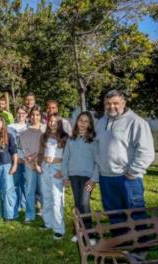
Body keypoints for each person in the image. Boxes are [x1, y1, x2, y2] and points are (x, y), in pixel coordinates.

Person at [95, 90, 154, 261]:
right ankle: (122, 247)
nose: (111, 106)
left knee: (135, 213)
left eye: (115, 103)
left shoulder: (136, 122)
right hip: (106, 177)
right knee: (115, 214)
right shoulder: (102, 122)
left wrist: (133, 171)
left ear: (123, 103)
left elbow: (146, 151)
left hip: (128, 179)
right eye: (108, 103)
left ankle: (141, 248)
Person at [61, 111, 98, 244]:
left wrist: (94, 179)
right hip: (73, 175)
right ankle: (78, 232)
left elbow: (97, 161)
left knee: (85, 204)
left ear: (90, 124)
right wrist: (65, 176)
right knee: (78, 204)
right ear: (76, 122)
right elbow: (65, 159)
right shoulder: (71, 140)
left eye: (86, 121)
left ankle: (91, 235)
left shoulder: (93, 140)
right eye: (80, 120)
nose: (82, 123)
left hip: (87, 177)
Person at [35, 113, 69, 240]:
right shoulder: (44, 136)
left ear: (59, 123)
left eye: (55, 121)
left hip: (57, 169)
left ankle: (59, 228)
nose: (52, 123)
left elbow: (68, 156)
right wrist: (38, 164)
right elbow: (40, 152)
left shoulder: (65, 137)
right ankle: (48, 223)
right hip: (45, 167)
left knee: (57, 199)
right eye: (50, 121)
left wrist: (64, 171)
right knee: (46, 197)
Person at [0, 116, 18, 221]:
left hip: (6, 165)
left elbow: (14, 152)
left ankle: (9, 215)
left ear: (3, 124)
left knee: (8, 189)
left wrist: (15, 165)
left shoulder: (9, 136)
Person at [19, 106, 45, 224]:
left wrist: (36, 160)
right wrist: (31, 160)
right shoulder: (24, 133)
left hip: (43, 164)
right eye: (33, 115)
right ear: (30, 116)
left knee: (44, 190)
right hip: (29, 165)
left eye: (37, 115)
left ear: (41, 116)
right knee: (29, 190)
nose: (35, 117)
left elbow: (44, 148)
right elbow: (24, 149)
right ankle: (30, 215)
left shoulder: (45, 131)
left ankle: (46, 214)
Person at [8, 105, 29, 211]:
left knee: (25, 184)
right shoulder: (10, 127)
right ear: (16, 114)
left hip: (27, 160)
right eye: (19, 113)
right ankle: (15, 204)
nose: (21, 115)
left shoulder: (29, 127)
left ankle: (24, 205)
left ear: (26, 114)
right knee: (15, 184)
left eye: (23, 113)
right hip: (14, 160)